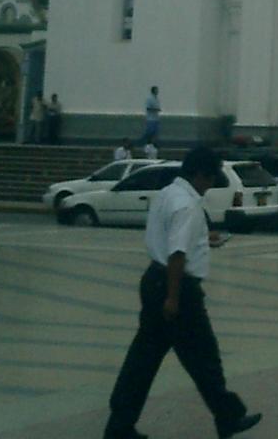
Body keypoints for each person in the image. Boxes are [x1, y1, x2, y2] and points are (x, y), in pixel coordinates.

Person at [104, 145, 262, 439]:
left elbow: (170, 237)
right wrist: (173, 298)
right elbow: (177, 253)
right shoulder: (188, 205)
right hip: (177, 289)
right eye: (212, 178)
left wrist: (204, 238)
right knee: (205, 358)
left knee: (141, 362)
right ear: (200, 174)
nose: (212, 184)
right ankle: (228, 418)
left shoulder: (168, 193)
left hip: (153, 280)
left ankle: (118, 426)